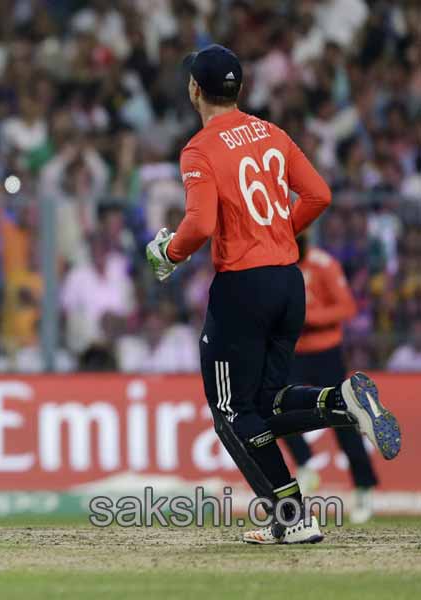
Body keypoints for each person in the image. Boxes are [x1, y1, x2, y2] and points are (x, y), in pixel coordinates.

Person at [145, 45, 402, 545]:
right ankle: (342, 403)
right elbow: (320, 194)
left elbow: (198, 223)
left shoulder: (199, 149)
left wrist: (169, 256)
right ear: (239, 89)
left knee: (231, 411)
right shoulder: (272, 133)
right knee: (264, 401)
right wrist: (280, 231)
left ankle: (291, 517)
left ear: (194, 89)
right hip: (289, 280)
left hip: (243, 286)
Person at [285, 233, 378, 524]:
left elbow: (347, 307)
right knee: (275, 406)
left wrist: (309, 317)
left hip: (326, 353)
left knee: (340, 419)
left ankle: (364, 490)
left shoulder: (323, 264)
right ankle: (304, 464)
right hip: (293, 353)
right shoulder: (279, 267)